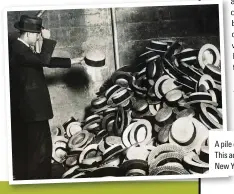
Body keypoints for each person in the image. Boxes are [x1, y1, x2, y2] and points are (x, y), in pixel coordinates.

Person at [9, 15, 83, 180]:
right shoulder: (18, 49)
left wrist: (74, 61)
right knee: (40, 151)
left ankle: (38, 179)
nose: (38, 38)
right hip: (32, 110)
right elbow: (43, 59)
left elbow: (42, 60)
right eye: (37, 35)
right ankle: (38, 183)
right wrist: (48, 40)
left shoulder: (22, 49)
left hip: (33, 110)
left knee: (40, 149)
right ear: (28, 34)